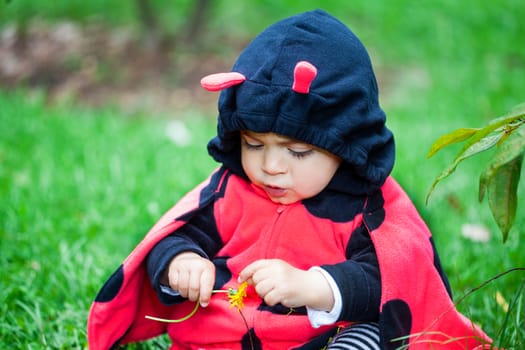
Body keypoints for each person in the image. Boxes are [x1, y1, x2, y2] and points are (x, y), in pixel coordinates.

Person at [87, 9, 492, 350]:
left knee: (375, 337)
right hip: (229, 336)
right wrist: (180, 261)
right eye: (253, 144)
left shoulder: (364, 209)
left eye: (298, 151)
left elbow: (389, 282)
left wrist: (315, 286)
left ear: (345, 144)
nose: (271, 167)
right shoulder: (232, 192)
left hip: (323, 338)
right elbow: (179, 234)